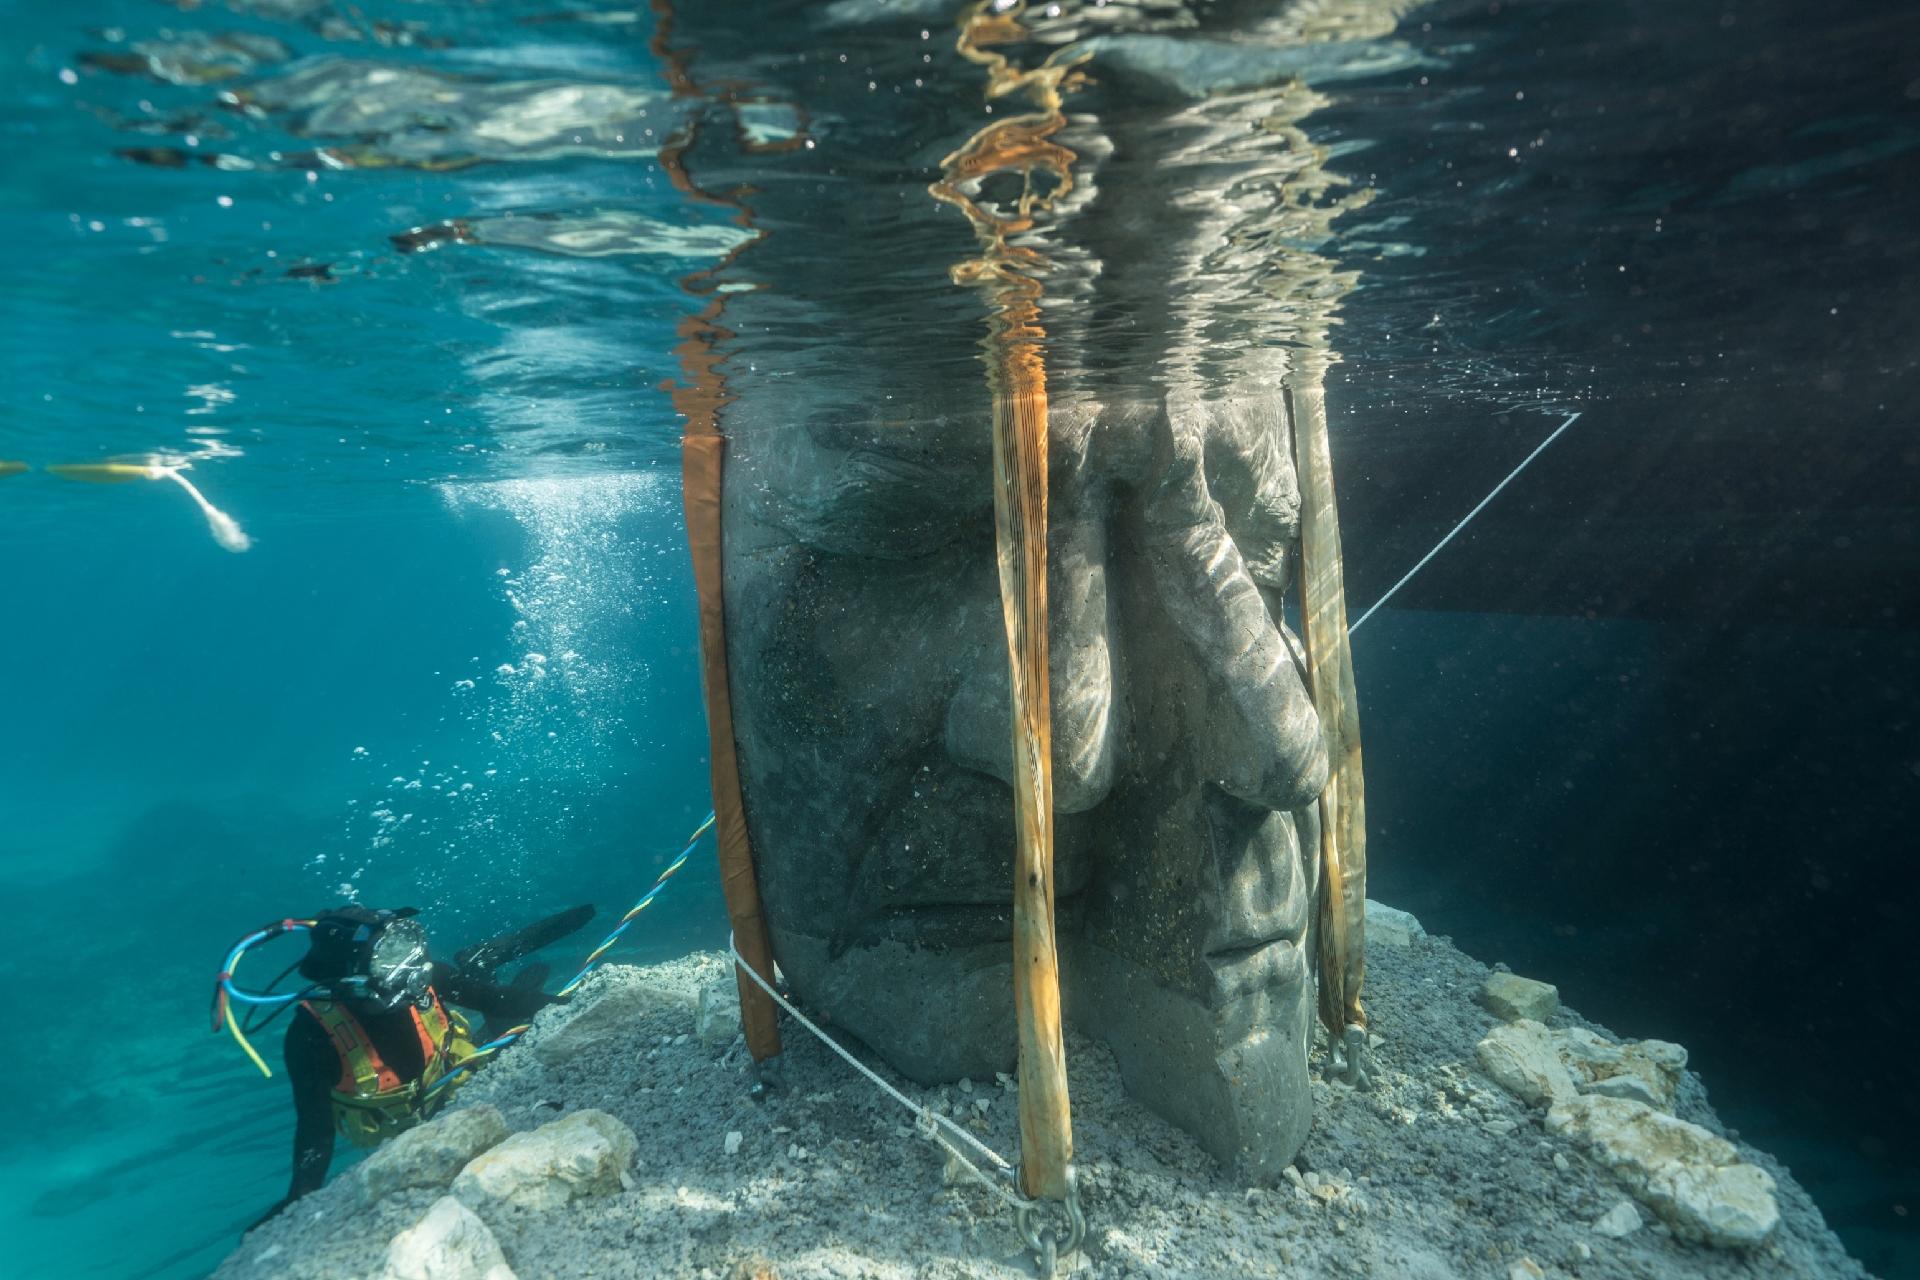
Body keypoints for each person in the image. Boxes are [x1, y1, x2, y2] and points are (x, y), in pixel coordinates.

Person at [251, 903, 594, 1226]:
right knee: (498, 1024)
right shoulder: (311, 1034)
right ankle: (477, 961)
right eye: (389, 958)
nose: (409, 969)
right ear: (349, 978)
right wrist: (300, 1195)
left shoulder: (423, 977)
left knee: (505, 1024)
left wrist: (575, 1004)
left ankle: (479, 960)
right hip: (426, 1115)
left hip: (459, 1077)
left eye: (405, 948)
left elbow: (497, 1000)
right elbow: (315, 1129)